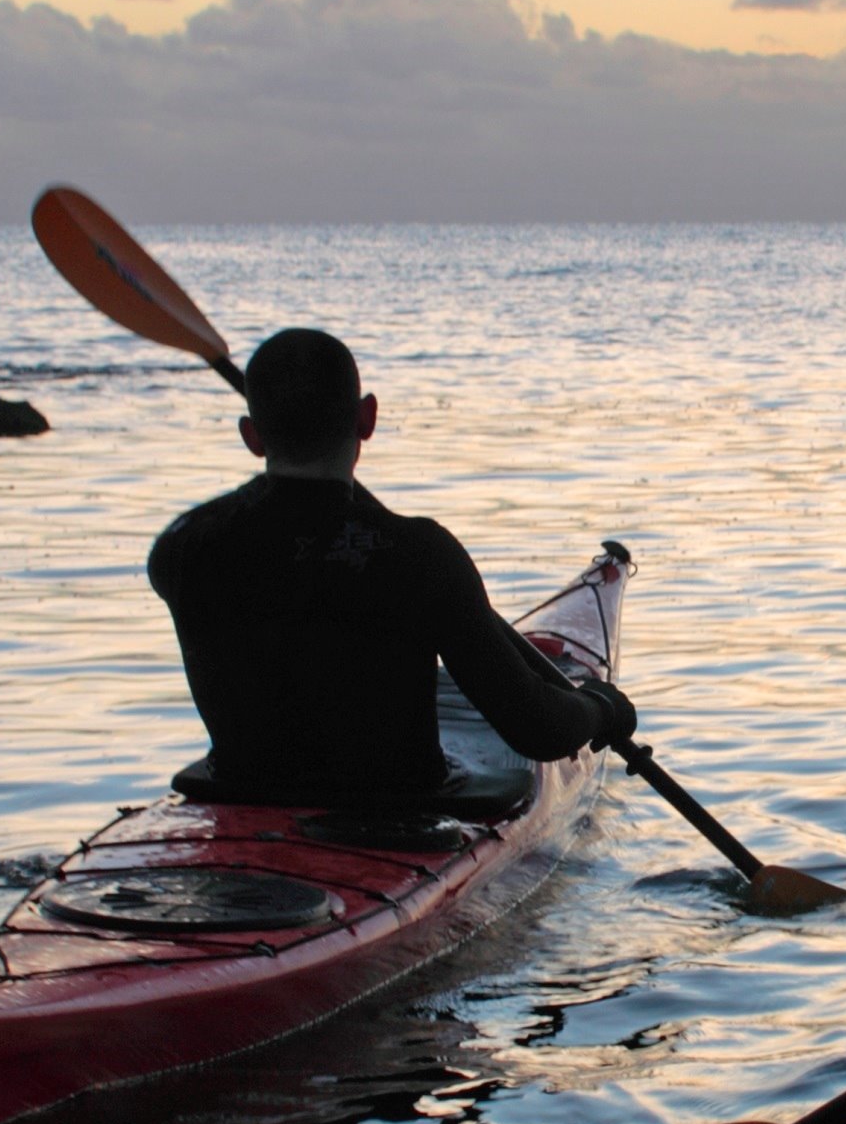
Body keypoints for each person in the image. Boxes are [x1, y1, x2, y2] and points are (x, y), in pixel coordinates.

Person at [148, 327, 637, 804]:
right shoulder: (420, 554)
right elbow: (539, 730)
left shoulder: (182, 545)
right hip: (401, 806)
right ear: (367, 418)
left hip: (239, 793)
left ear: (252, 436)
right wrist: (598, 707)